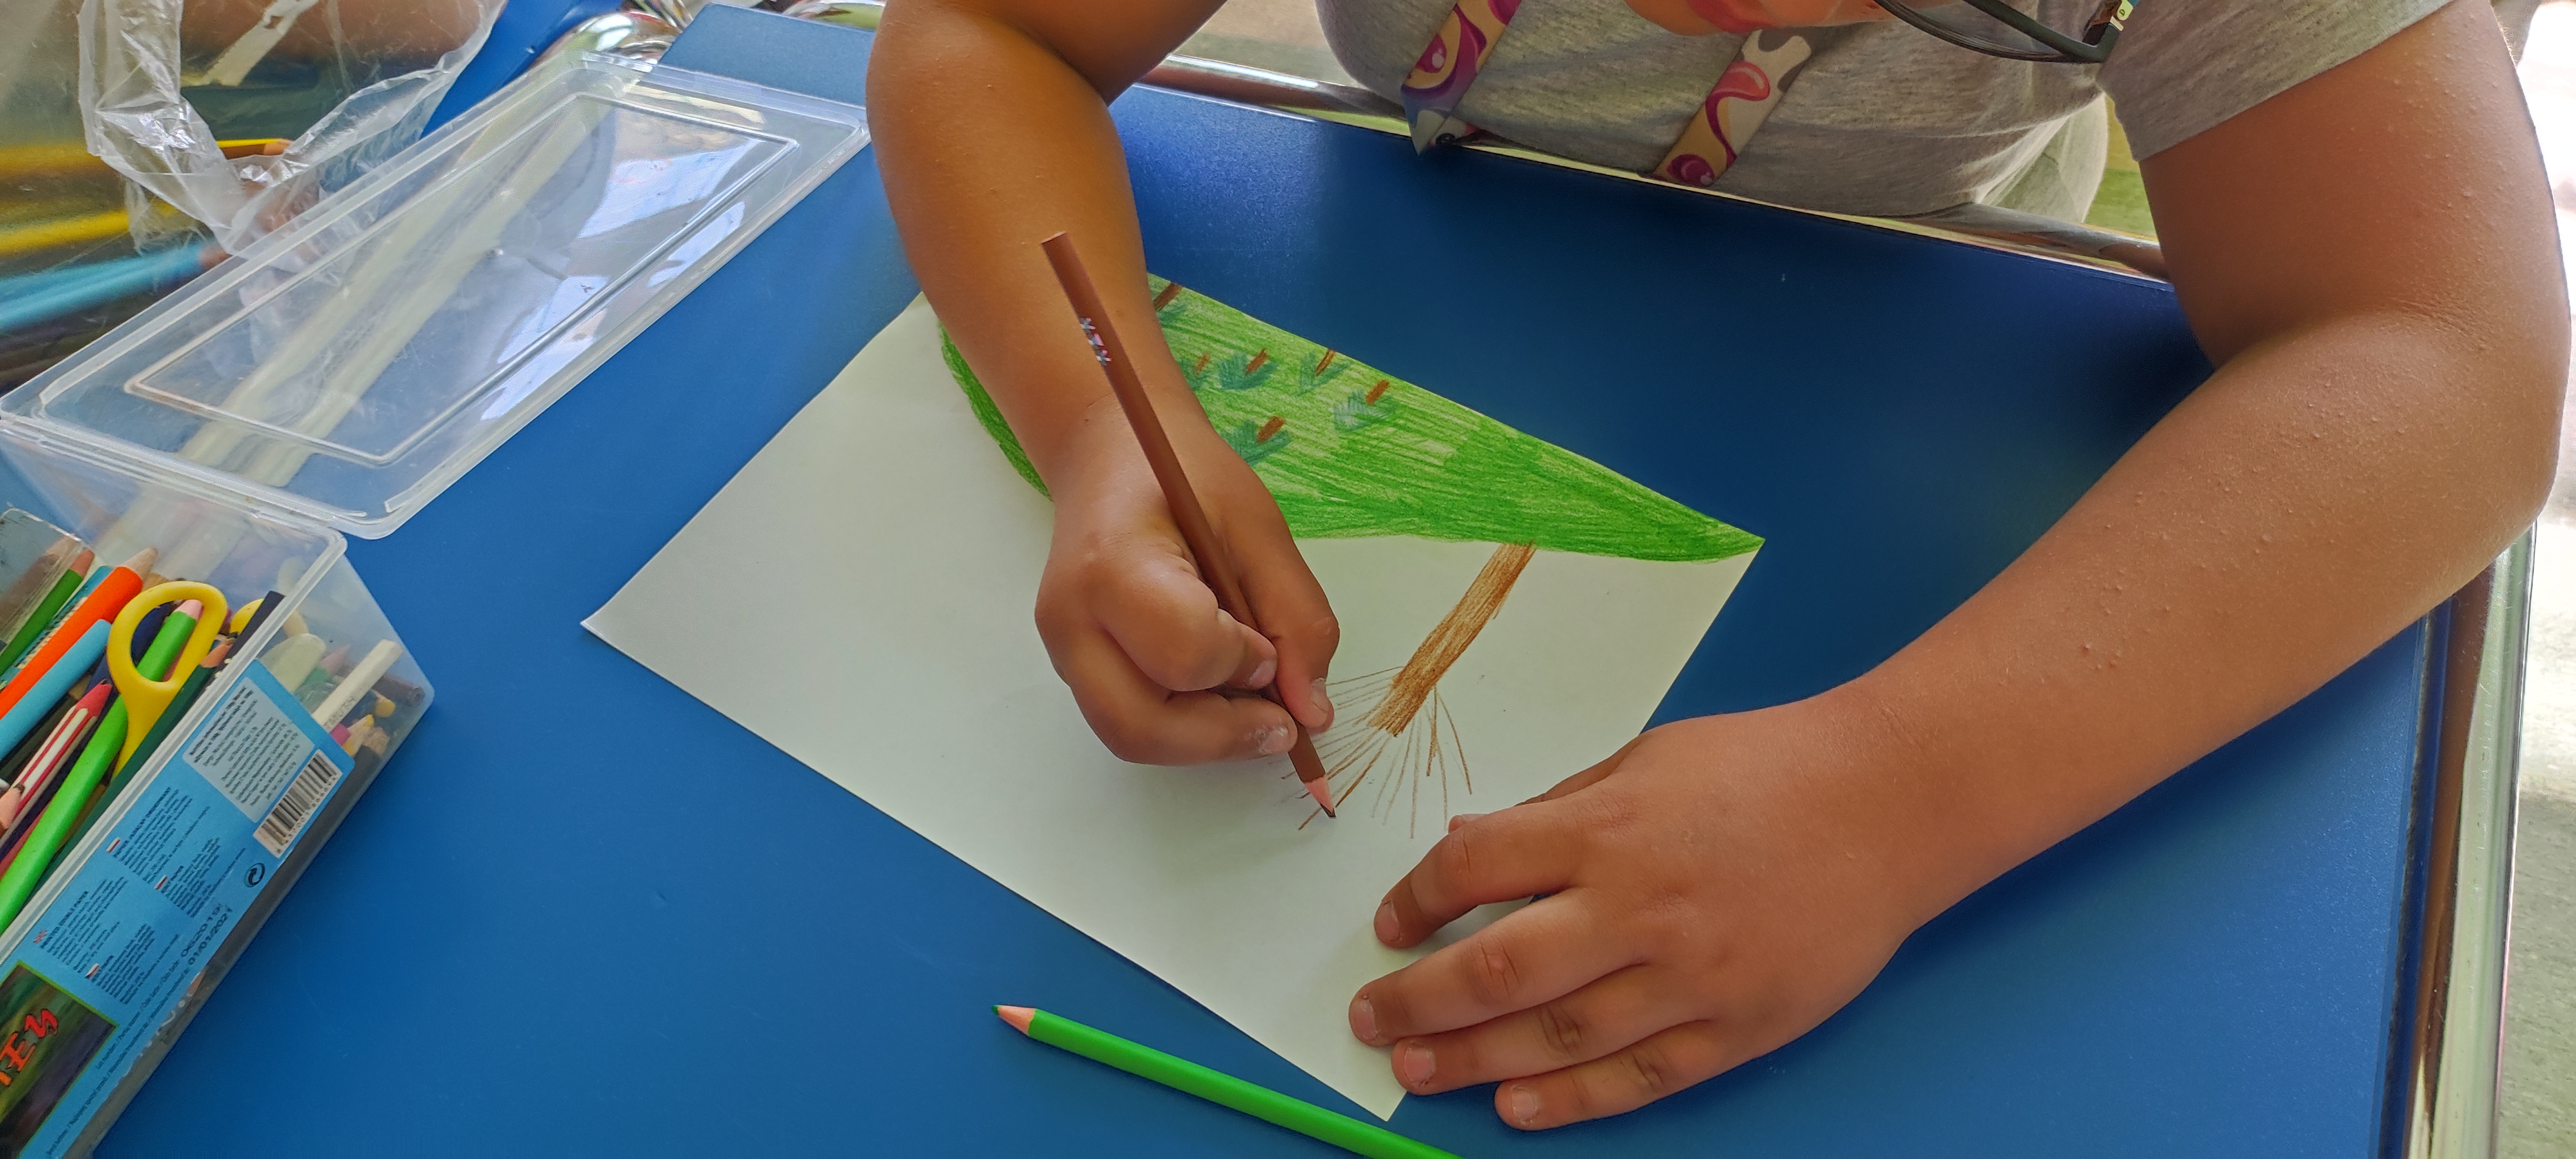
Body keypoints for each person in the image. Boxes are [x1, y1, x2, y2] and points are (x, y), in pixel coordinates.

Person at [869, 0, 2565, 1130]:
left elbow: (2451, 350)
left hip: (1907, 337)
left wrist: (1903, 789)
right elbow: (990, 30)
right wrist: (1100, 421)